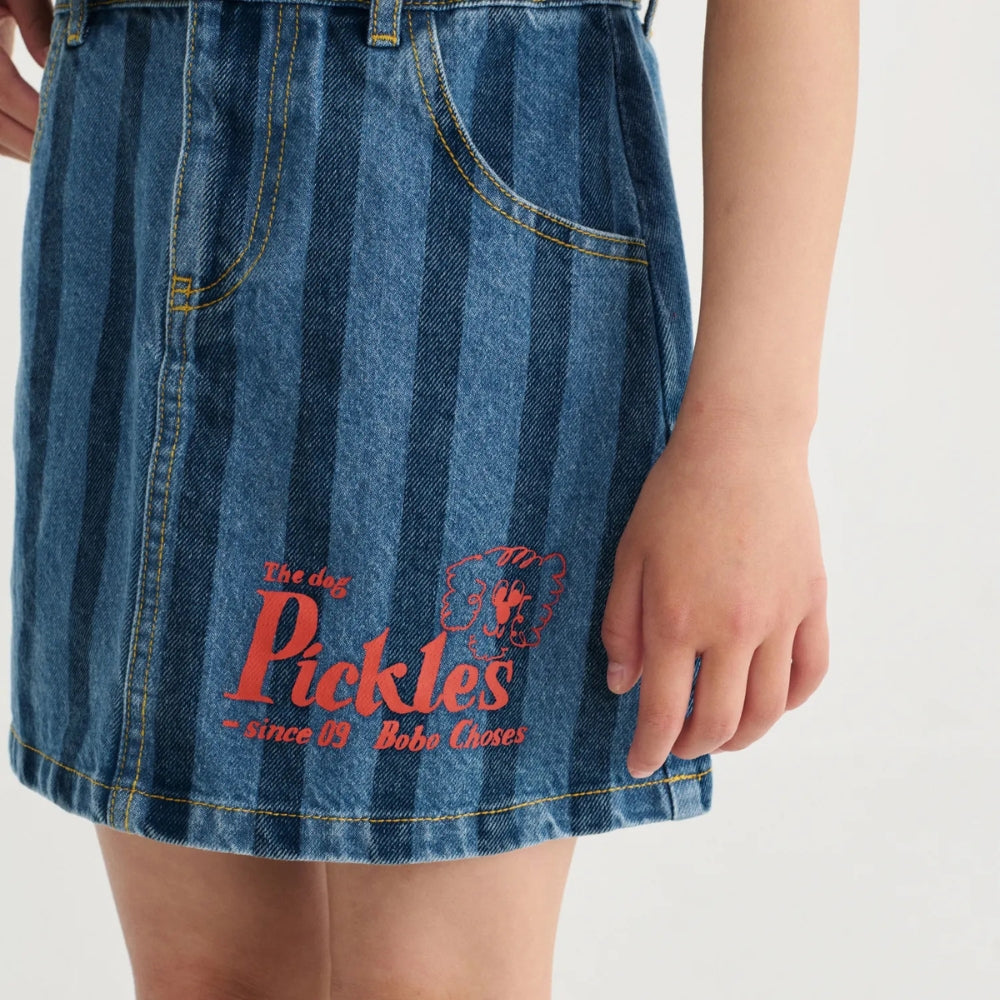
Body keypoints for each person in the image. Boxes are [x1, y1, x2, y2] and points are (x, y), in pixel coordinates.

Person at [2, 0, 856, 996]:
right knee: (206, 977)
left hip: (464, 146)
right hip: (130, 129)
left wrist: (751, 434)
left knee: (433, 979)